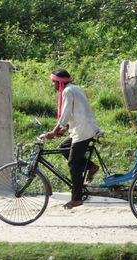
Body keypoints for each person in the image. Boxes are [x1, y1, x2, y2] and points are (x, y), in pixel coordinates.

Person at [45, 69, 100, 209]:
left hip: (83, 131)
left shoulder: (67, 91)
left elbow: (66, 113)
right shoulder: (75, 88)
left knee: (73, 164)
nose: (53, 86)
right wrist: (64, 129)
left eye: (54, 83)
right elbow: (77, 111)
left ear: (60, 82)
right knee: (63, 148)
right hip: (83, 127)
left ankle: (76, 198)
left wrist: (54, 131)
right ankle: (91, 166)